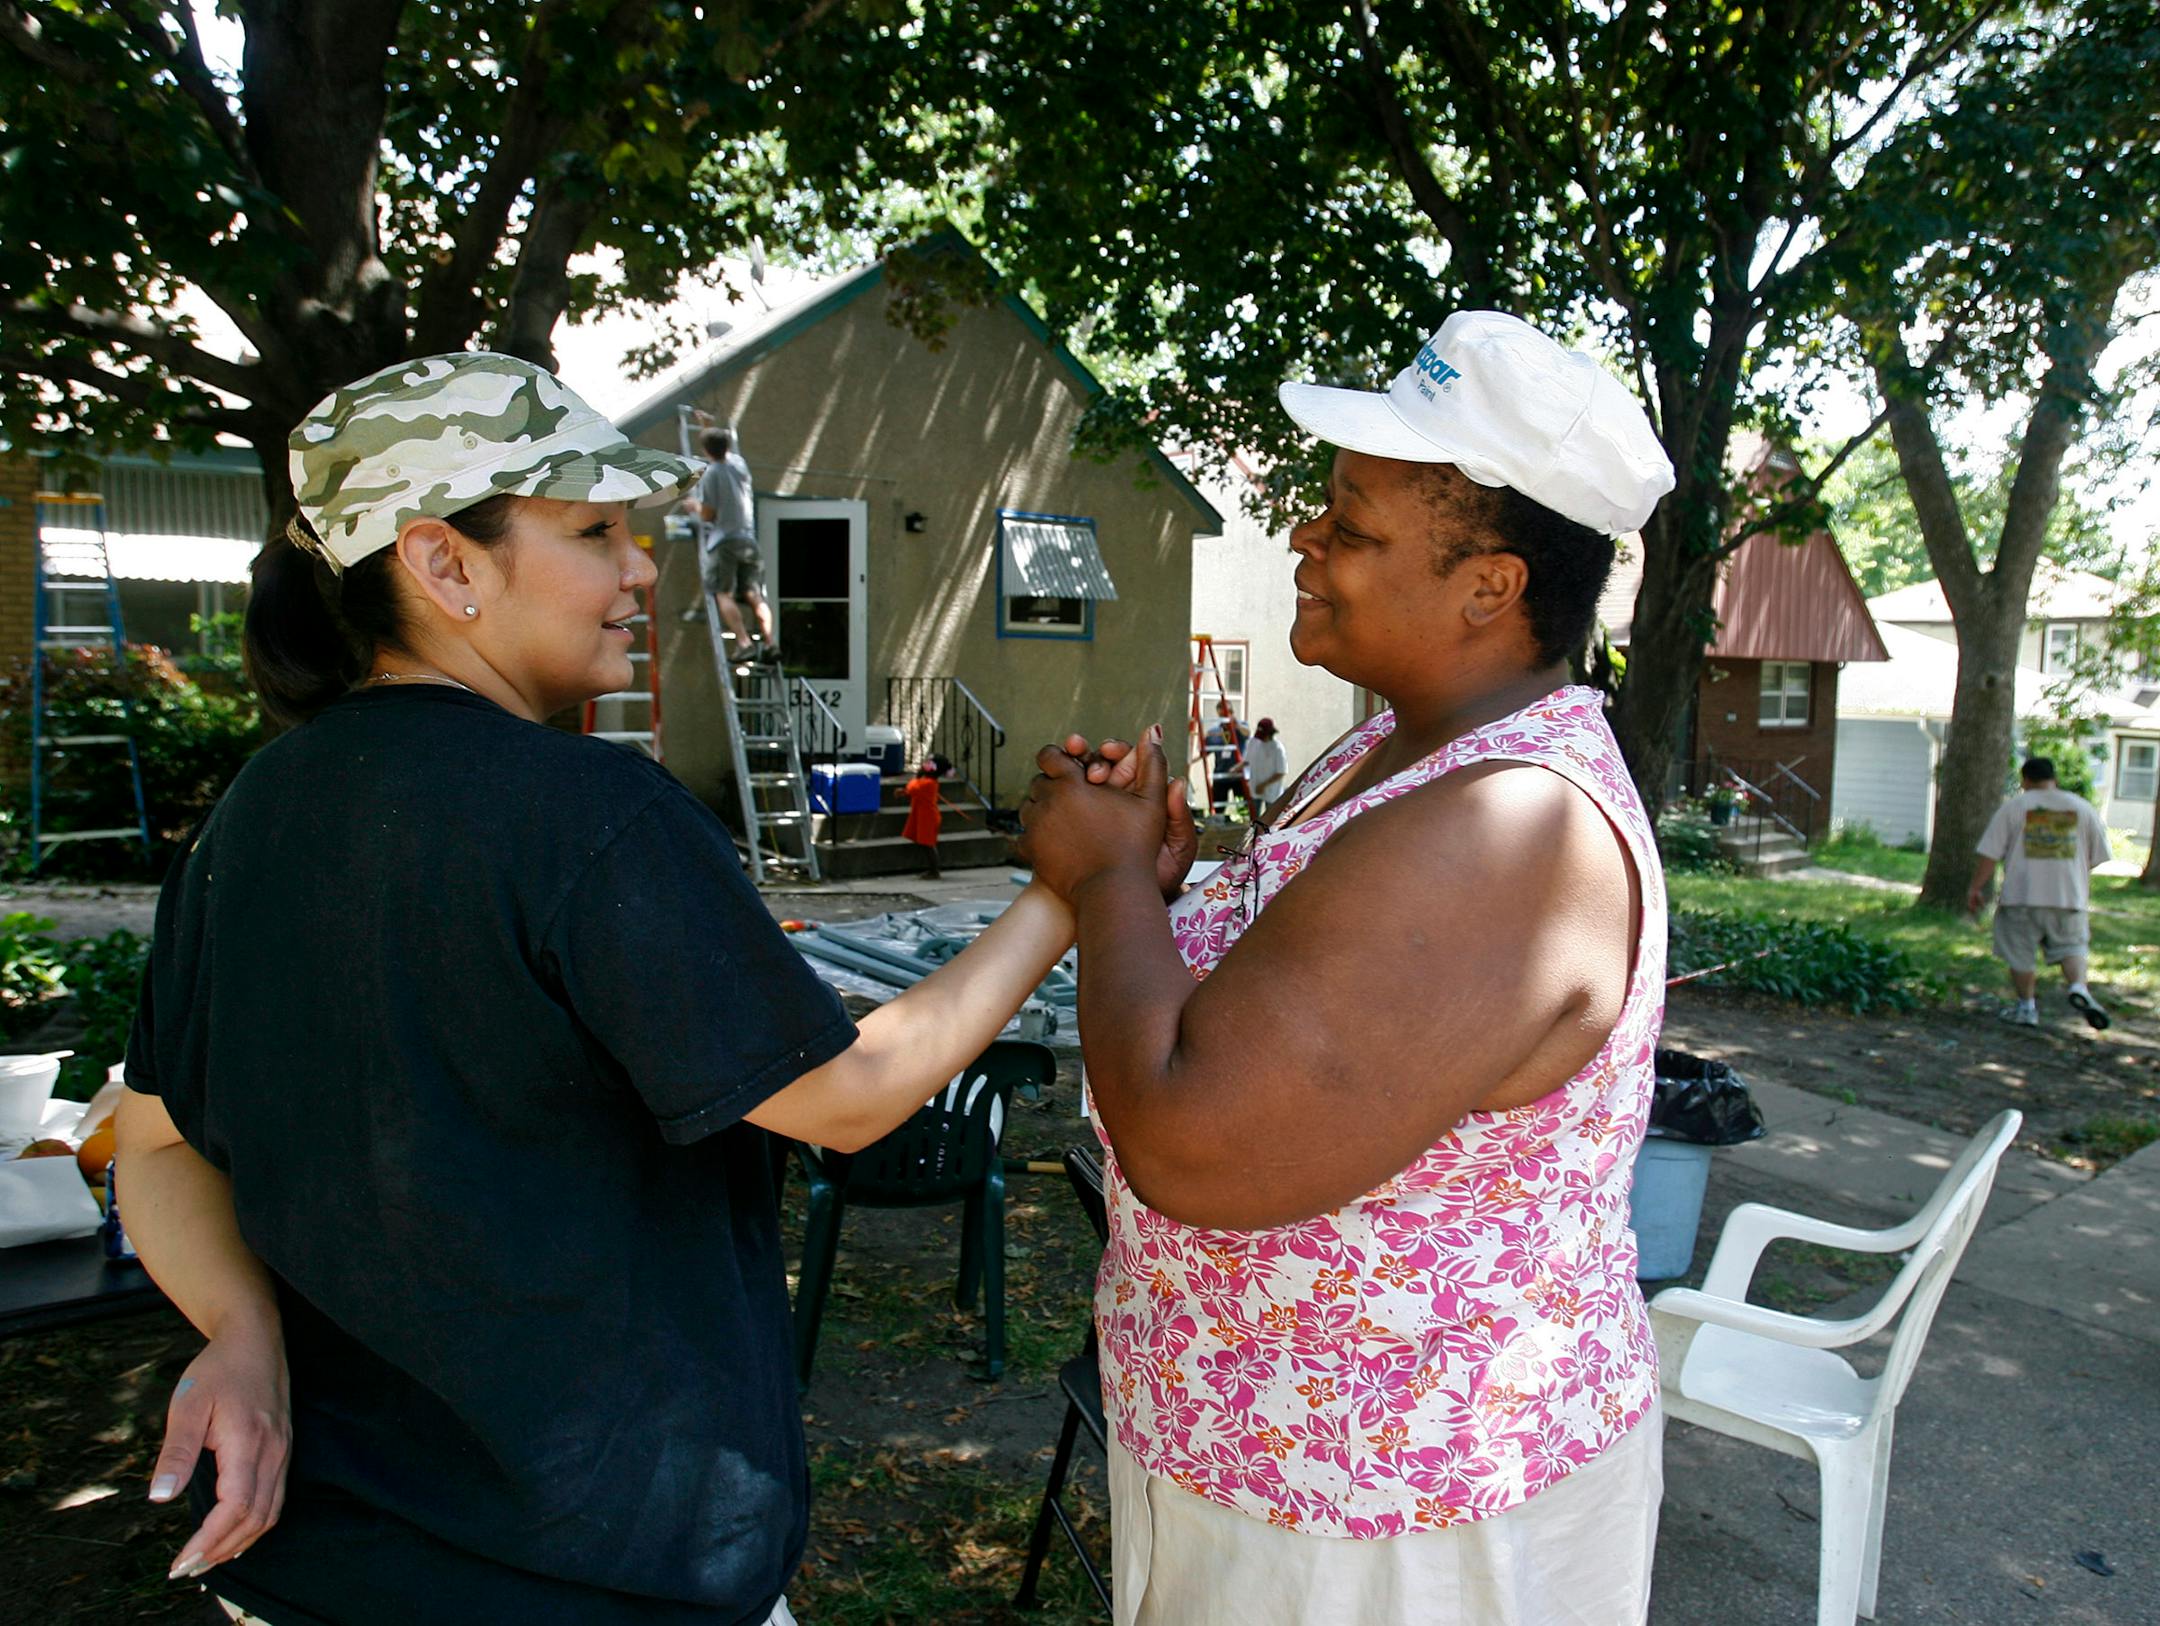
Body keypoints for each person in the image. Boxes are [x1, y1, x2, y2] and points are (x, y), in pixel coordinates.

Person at [113, 352, 1074, 1626]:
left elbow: (150, 1138)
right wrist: (1062, 898)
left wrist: (239, 1329)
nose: (640, 569)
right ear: (444, 565)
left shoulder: (255, 812)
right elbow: (848, 1099)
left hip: (316, 1569)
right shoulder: (588, 812)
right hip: (597, 1569)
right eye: (593, 533)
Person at [1019, 309, 1677, 1625]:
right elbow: (1303, 993)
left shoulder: (1508, 830)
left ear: (1490, 584)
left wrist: (1099, 885)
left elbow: (1195, 1143)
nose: (1306, 545)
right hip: (1285, 1466)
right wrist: (1167, 904)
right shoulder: (1397, 749)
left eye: (1352, 528)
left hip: (1392, 1527)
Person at [1969, 756, 2113, 1029]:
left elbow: (1990, 854)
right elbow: (2095, 857)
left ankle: (2026, 1008)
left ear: (2024, 781)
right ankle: (2078, 988)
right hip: (2069, 897)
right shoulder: (2082, 808)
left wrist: (1976, 887)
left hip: (2021, 897)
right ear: (2054, 779)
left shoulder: (2014, 808)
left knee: (2020, 952)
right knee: (2072, 946)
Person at [680, 423, 778, 663]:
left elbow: (708, 515)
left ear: (706, 450)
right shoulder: (739, 463)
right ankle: (771, 643)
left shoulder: (712, 474)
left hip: (724, 541)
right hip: (748, 540)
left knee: (722, 593)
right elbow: (721, 447)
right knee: (755, 594)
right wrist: (708, 427)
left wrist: (693, 506)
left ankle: (743, 643)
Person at [902, 756, 949, 879]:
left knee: (928, 845)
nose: (924, 765)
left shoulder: (928, 783)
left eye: (928, 763)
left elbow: (912, 788)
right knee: (925, 844)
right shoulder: (928, 782)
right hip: (925, 817)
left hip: (928, 819)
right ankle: (932, 870)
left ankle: (934, 871)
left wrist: (917, 775)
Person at [1241, 716, 1289, 813]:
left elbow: (1281, 772)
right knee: (1254, 818)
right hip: (1255, 788)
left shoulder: (1277, 748)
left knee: (1270, 819)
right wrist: (1237, 768)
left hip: (1271, 791)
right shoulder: (1255, 743)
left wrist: (1263, 785)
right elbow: (1248, 760)